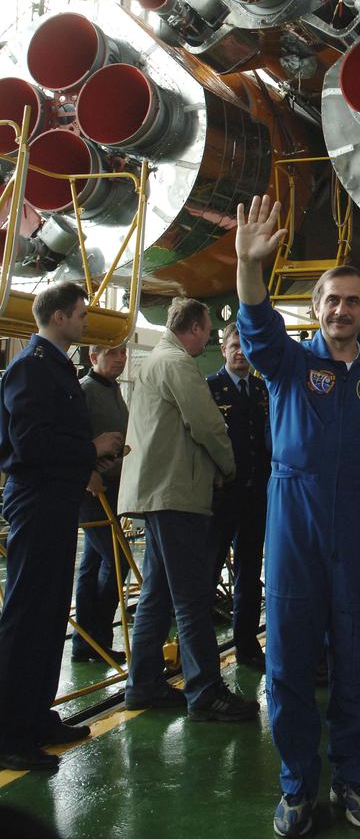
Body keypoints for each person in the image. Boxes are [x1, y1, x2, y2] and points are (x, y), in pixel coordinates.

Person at [235, 195, 360, 837]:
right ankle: (297, 786)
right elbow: (254, 325)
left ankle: (354, 781)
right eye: (330, 300)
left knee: (358, 662)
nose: (341, 310)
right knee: (288, 665)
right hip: (294, 522)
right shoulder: (288, 364)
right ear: (316, 309)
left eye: (352, 301)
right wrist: (250, 265)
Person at [0, 282, 123, 771]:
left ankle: (36, 715)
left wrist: (87, 461)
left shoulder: (56, 369)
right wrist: (90, 449)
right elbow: (30, 444)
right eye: (79, 315)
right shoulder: (30, 369)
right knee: (26, 616)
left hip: (56, 500)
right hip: (35, 504)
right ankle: (9, 733)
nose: (84, 322)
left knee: (50, 614)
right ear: (56, 318)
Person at [118, 297, 258, 722]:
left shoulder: (157, 360)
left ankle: (142, 684)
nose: (211, 341)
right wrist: (229, 466)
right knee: (192, 596)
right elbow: (208, 424)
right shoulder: (178, 365)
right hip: (175, 494)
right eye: (209, 332)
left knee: (158, 594)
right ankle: (205, 691)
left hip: (160, 492)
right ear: (195, 328)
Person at [208, 323, 270, 671]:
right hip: (222, 498)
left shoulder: (262, 390)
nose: (240, 353)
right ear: (223, 349)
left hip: (256, 496)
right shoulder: (210, 389)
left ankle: (246, 645)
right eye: (234, 346)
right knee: (209, 570)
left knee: (249, 573)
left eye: (245, 347)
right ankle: (203, 654)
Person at [72, 343, 131, 665]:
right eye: (112, 354)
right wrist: (85, 474)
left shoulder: (113, 391)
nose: (120, 359)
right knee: (118, 562)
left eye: (123, 353)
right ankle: (97, 638)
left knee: (92, 564)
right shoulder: (85, 391)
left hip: (113, 489)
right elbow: (74, 437)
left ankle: (87, 645)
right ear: (94, 358)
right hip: (93, 491)